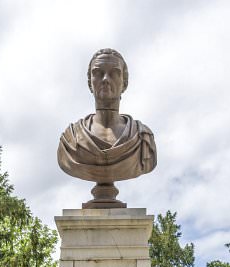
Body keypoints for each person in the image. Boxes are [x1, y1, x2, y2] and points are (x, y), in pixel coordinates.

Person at [57, 48, 156, 205]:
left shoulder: (143, 140)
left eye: (114, 73)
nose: (105, 79)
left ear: (124, 82)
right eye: (98, 73)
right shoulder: (71, 140)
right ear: (90, 82)